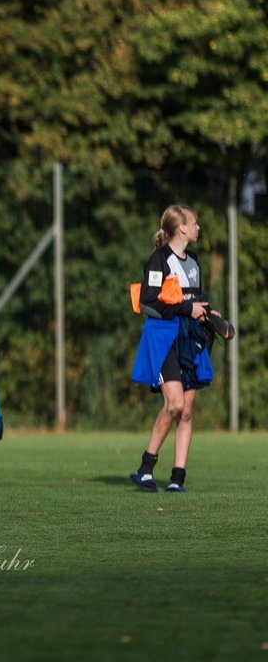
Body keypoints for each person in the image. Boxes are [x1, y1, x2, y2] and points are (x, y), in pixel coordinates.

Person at [128, 205, 215, 493]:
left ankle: (178, 477)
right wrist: (185, 308)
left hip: (190, 337)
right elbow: (149, 302)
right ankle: (146, 468)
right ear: (182, 228)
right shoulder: (158, 259)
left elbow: (196, 301)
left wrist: (214, 319)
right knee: (174, 404)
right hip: (164, 337)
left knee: (187, 410)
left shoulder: (194, 261)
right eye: (195, 223)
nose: (198, 228)